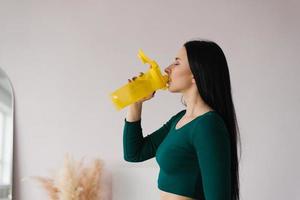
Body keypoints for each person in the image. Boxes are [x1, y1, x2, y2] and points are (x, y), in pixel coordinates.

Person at [123, 40, 241, 200]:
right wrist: (135, 102)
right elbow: (134, 153)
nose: (167, 69)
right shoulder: (180, 119)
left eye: (176, 63)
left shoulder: (208, 126)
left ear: (196, 74)